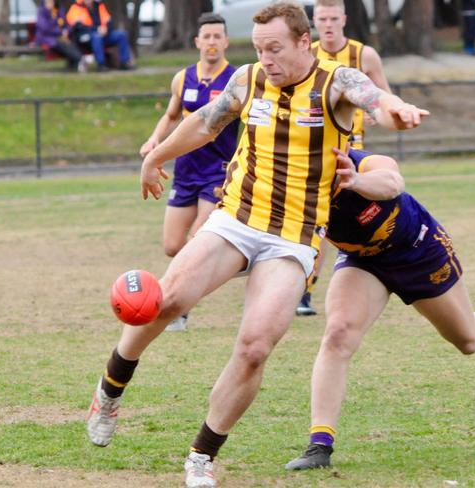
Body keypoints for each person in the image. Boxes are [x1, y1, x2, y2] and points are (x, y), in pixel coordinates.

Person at [85, 3, 428, 487]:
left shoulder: (336, 83)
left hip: (295, 240)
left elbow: (375, 100)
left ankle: (201, 457)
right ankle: (110, 391)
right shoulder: (247, 80)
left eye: (275, 49)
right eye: (260, 48)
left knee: (254, 348)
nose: (265, 58)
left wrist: (397, 110)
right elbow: (205, 122)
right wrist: (155, 157)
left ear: (303, 43)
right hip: (237, 220)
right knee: (168, 302)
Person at [285, 148, 475, 470]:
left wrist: (356, 180)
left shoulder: (356, 160)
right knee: (338, 334)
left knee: (468, 341)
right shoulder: (288, 181)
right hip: (363, 261)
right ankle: (319, 445)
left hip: (419, 249)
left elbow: (392, 182)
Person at [139, 13, 238, 332]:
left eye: (217, 37)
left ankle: (178, 306)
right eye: (206, 37)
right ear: (197, 42)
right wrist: (155, 139)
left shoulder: (237, 79)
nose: (211, 42)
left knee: (197, 238)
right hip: (186, 170)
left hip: (219, 171)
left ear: (226, 41)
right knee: (171, 245)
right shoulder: (183, 78)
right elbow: (170, 116)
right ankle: (214, 269)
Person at [296, 0, 392, 317]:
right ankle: (304, 292)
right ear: (314, 20)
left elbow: (383, 93)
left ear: (344, 19)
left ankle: (378, 272)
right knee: (319, 220)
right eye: (321, 19)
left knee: (357, 215)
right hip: (316, 147)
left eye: (333, 18)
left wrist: (381, 111)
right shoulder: (305, 52)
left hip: (353, 148)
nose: (327, 25)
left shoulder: (364, 54)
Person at [66, 0, 134, 71]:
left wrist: (106, 29)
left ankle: (124, 62)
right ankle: (101, 64)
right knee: (96, 37)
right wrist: (96, 29)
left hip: (103, 34)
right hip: (86, 38)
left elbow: (108, 20)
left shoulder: (99, 6)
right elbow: (78, 27)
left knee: (122, 35)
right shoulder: (75, 8)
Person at [35, 0, 84, 72]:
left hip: (60, 36)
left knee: (72, 39)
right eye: (48, 2)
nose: (50, 4)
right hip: (47, 37)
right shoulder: (42, 11)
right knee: (61, 43)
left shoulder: (57, 10)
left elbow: (66, 24)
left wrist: (66, 30)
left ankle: (75, 62)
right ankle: (79, 59)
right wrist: (60, 32)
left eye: (51, 2)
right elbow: (44, 28)